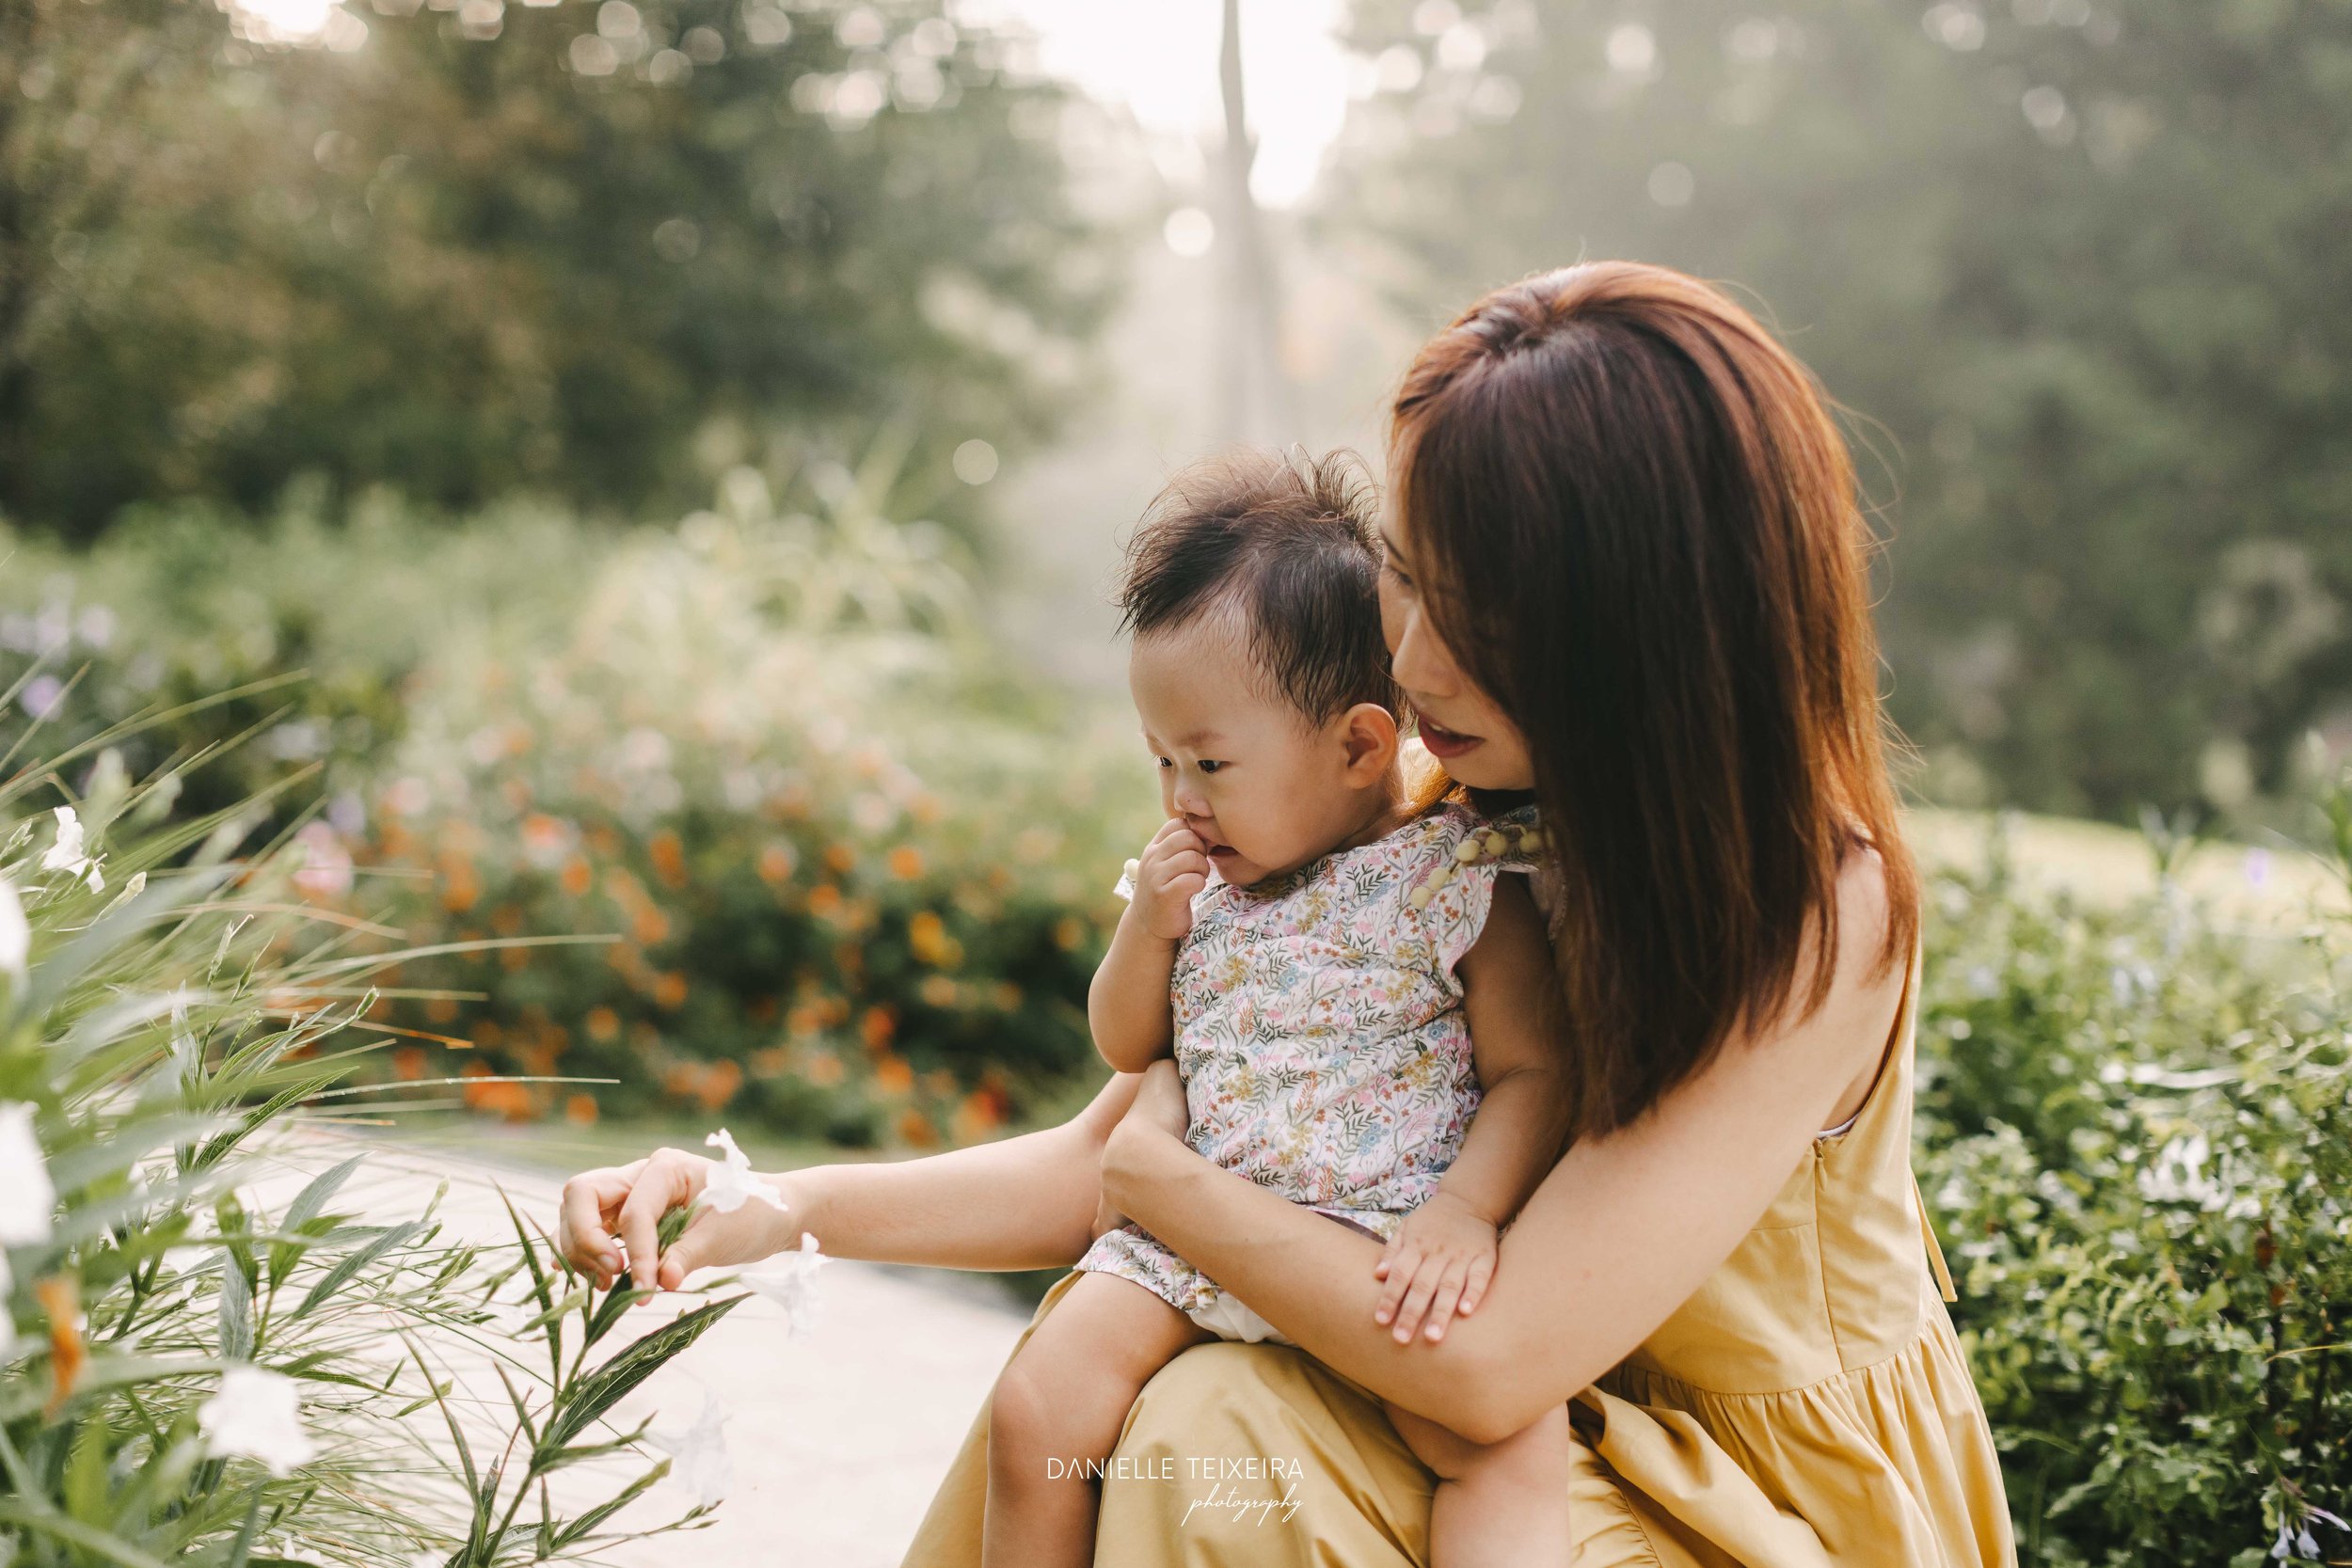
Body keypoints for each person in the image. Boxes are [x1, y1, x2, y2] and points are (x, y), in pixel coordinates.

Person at [557, 261, 2017, 1566]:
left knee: (1211, 1435)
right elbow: (1104, 1155)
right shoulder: (1443, 819)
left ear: (1631, 626)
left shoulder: (1813, 908)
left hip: (1744, 1492)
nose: (1417, 661)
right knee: (1087, 1397)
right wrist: (774, 1205)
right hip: (1498, 1413)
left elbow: (1472, 1346)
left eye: (1481, 614)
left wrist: (1179, 1194)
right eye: (1414, 587)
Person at [991, 451, 1572, 1568]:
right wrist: (1146, 932)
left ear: (1359, 745)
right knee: (1041, 1407)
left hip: (1380, 1241)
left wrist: (1465, 1211)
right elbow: (1125, 1042)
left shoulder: (1454, 875)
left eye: (1208, 760)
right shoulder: (1194, 878)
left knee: (1500, 1443)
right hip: (1188, 1238)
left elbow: (1535, 1072)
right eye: (1159, 758)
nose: (1178, 798)